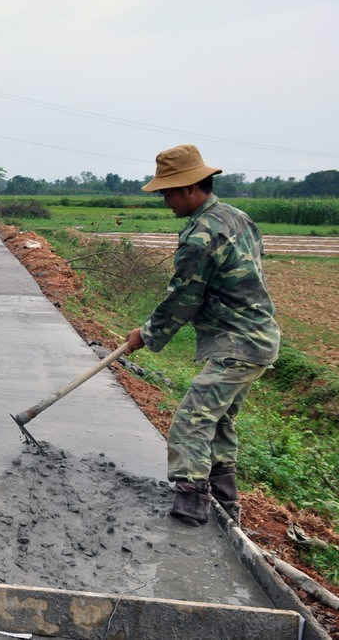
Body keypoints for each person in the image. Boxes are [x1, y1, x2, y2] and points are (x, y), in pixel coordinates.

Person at [124, 144, 280, 527]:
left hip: (238, 344)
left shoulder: (200, 235)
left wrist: (146, 334)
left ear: (191, 187)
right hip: (257, 337)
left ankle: (191, 505)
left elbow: (184, 298)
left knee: (192, 419)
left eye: (168, 193)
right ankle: (227, 507)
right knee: (219, 420)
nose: (165, 202)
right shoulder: (237, 217)